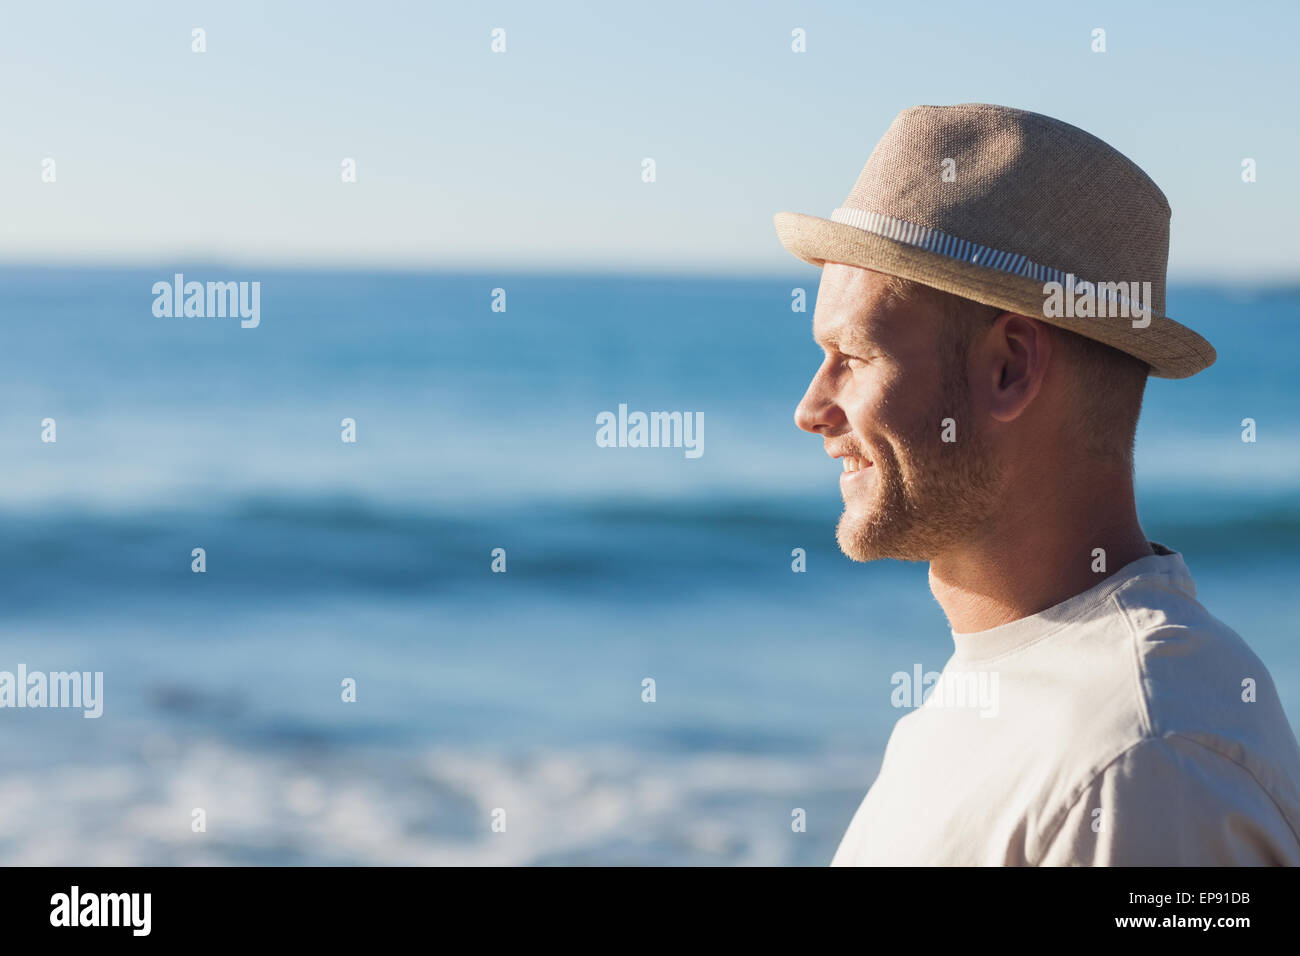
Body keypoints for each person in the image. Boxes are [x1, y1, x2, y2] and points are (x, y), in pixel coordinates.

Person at [773, 103, 1300, 865]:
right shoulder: (1011, 693)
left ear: (1009, 367)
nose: (811, 409)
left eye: (852, 355)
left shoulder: (1144, 764)